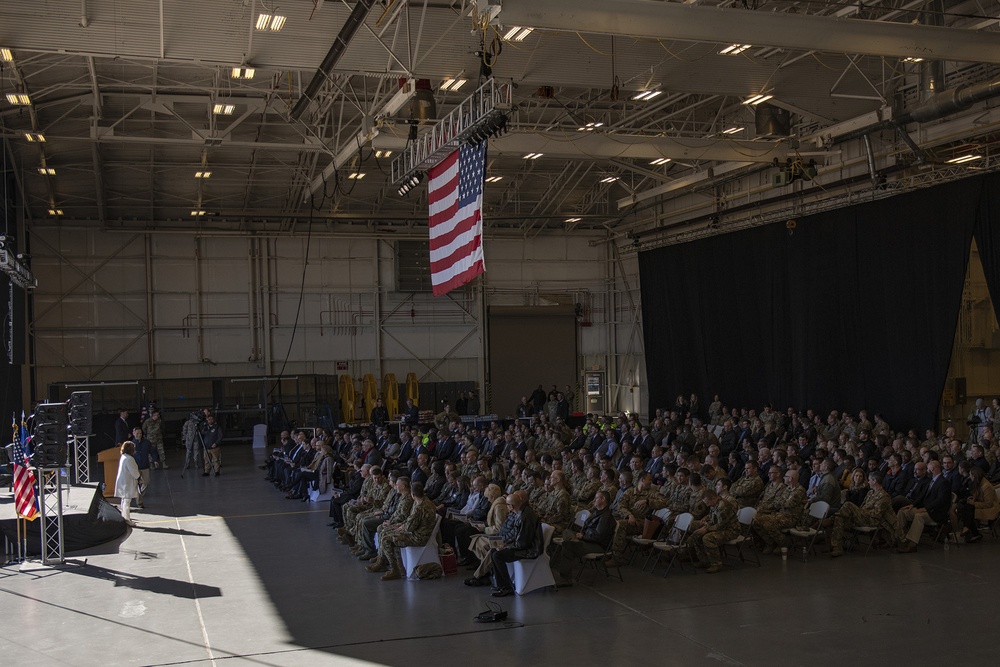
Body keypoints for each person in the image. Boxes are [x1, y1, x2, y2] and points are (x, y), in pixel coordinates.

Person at [367, 481, 439, 581]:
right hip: (419, 532)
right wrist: (399, 525)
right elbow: (411, 521)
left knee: (386, 539)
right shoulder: (427, 502)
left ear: (413, 495)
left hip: (418, 537)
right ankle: (387, 562)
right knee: (385, 532)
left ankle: (394, 569)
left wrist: (401, 527)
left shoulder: (419, 507)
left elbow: (410, 527)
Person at [549, 489, 615, 587]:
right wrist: (582, 535)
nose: (594, 500)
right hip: (588, 540)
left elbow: (598, 536)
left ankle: (566, 579)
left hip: (597, 546)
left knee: (567, 546)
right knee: (567, 531)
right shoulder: (598, 513)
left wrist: (583, 536)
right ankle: (573, 541)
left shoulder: (605, 517)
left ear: (603, 499)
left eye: (596, 498)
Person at [489, 490, 543, 597]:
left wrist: (506, 547)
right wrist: (503, 544)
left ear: (511, 506)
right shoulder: (520, 513)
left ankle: (507, 587)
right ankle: (501, 585)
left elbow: (523, 543)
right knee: (493, 551)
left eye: (507, 505)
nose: (507, 507)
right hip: (522, 545)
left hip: (529, 550)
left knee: (498, 555)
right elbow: (517, 536)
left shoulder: (526, 517)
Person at [829, 471, 895, 557]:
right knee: (839, 518)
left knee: (848, 504)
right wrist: (860, 512)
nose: (868, 482)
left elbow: (877, 515)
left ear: (874, 481)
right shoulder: (870, 493)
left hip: (872, 520)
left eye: (870, 480)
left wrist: (860, 512)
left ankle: (830, 519)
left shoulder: (884, 496)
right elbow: (863, 507)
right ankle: (837, 547)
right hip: (863, 517)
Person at [895, 460, 952, 553]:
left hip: (936, 512)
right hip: (926, 510)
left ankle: (912, 544)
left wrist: (925, 509)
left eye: (928, 468)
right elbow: (922, 496)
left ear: (932, 468)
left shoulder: (943, 482)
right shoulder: (931, 481)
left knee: (919, 516)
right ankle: (897, 538)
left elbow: (940, 500)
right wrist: (912, 505)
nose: (927, 470)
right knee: (902, 512)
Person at [688, 488, 739, 574]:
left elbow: (721, 525)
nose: (707, 505)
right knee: (697, 533)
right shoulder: (715, 504)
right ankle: (705, 561)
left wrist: (706, 529)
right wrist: (706, 521)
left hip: (731, 530)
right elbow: (713, 518)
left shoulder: (723, 506)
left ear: (714, 498)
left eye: (708, 503)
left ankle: (716, 564)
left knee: (708, 538)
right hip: (720, 527)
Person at [959, 466, 999, 543]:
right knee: (967, 508)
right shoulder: (979, 483)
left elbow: (988, 504)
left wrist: (974, 503)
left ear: (974, 475)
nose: (970, 477)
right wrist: (973, 498)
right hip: (981, 504)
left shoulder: (986, 486)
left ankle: (969, 530)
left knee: (967, 510)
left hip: (990, 508)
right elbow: (977, 495)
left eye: (971, 475)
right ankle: (971, 531)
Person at [131, 427, 157, 509]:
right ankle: (139, 502)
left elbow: (152, 451)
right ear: (134, 434)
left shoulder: (146, 442)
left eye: (140, 433)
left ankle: (139, 496)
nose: (139, 435)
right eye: (137, 433)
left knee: (146, 482)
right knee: (136, 484)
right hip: (136, 467)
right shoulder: (131, 444)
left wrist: (155, 460)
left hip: (145, 465)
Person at [115, 441, 140, 525]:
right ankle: (126, 520)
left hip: (124, 482)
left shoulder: (123, 457)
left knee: (124, 500)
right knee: (126, 501)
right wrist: (139, 477)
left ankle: (124, 517)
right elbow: (135, 472)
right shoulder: (130, 459)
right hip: (127, 483)